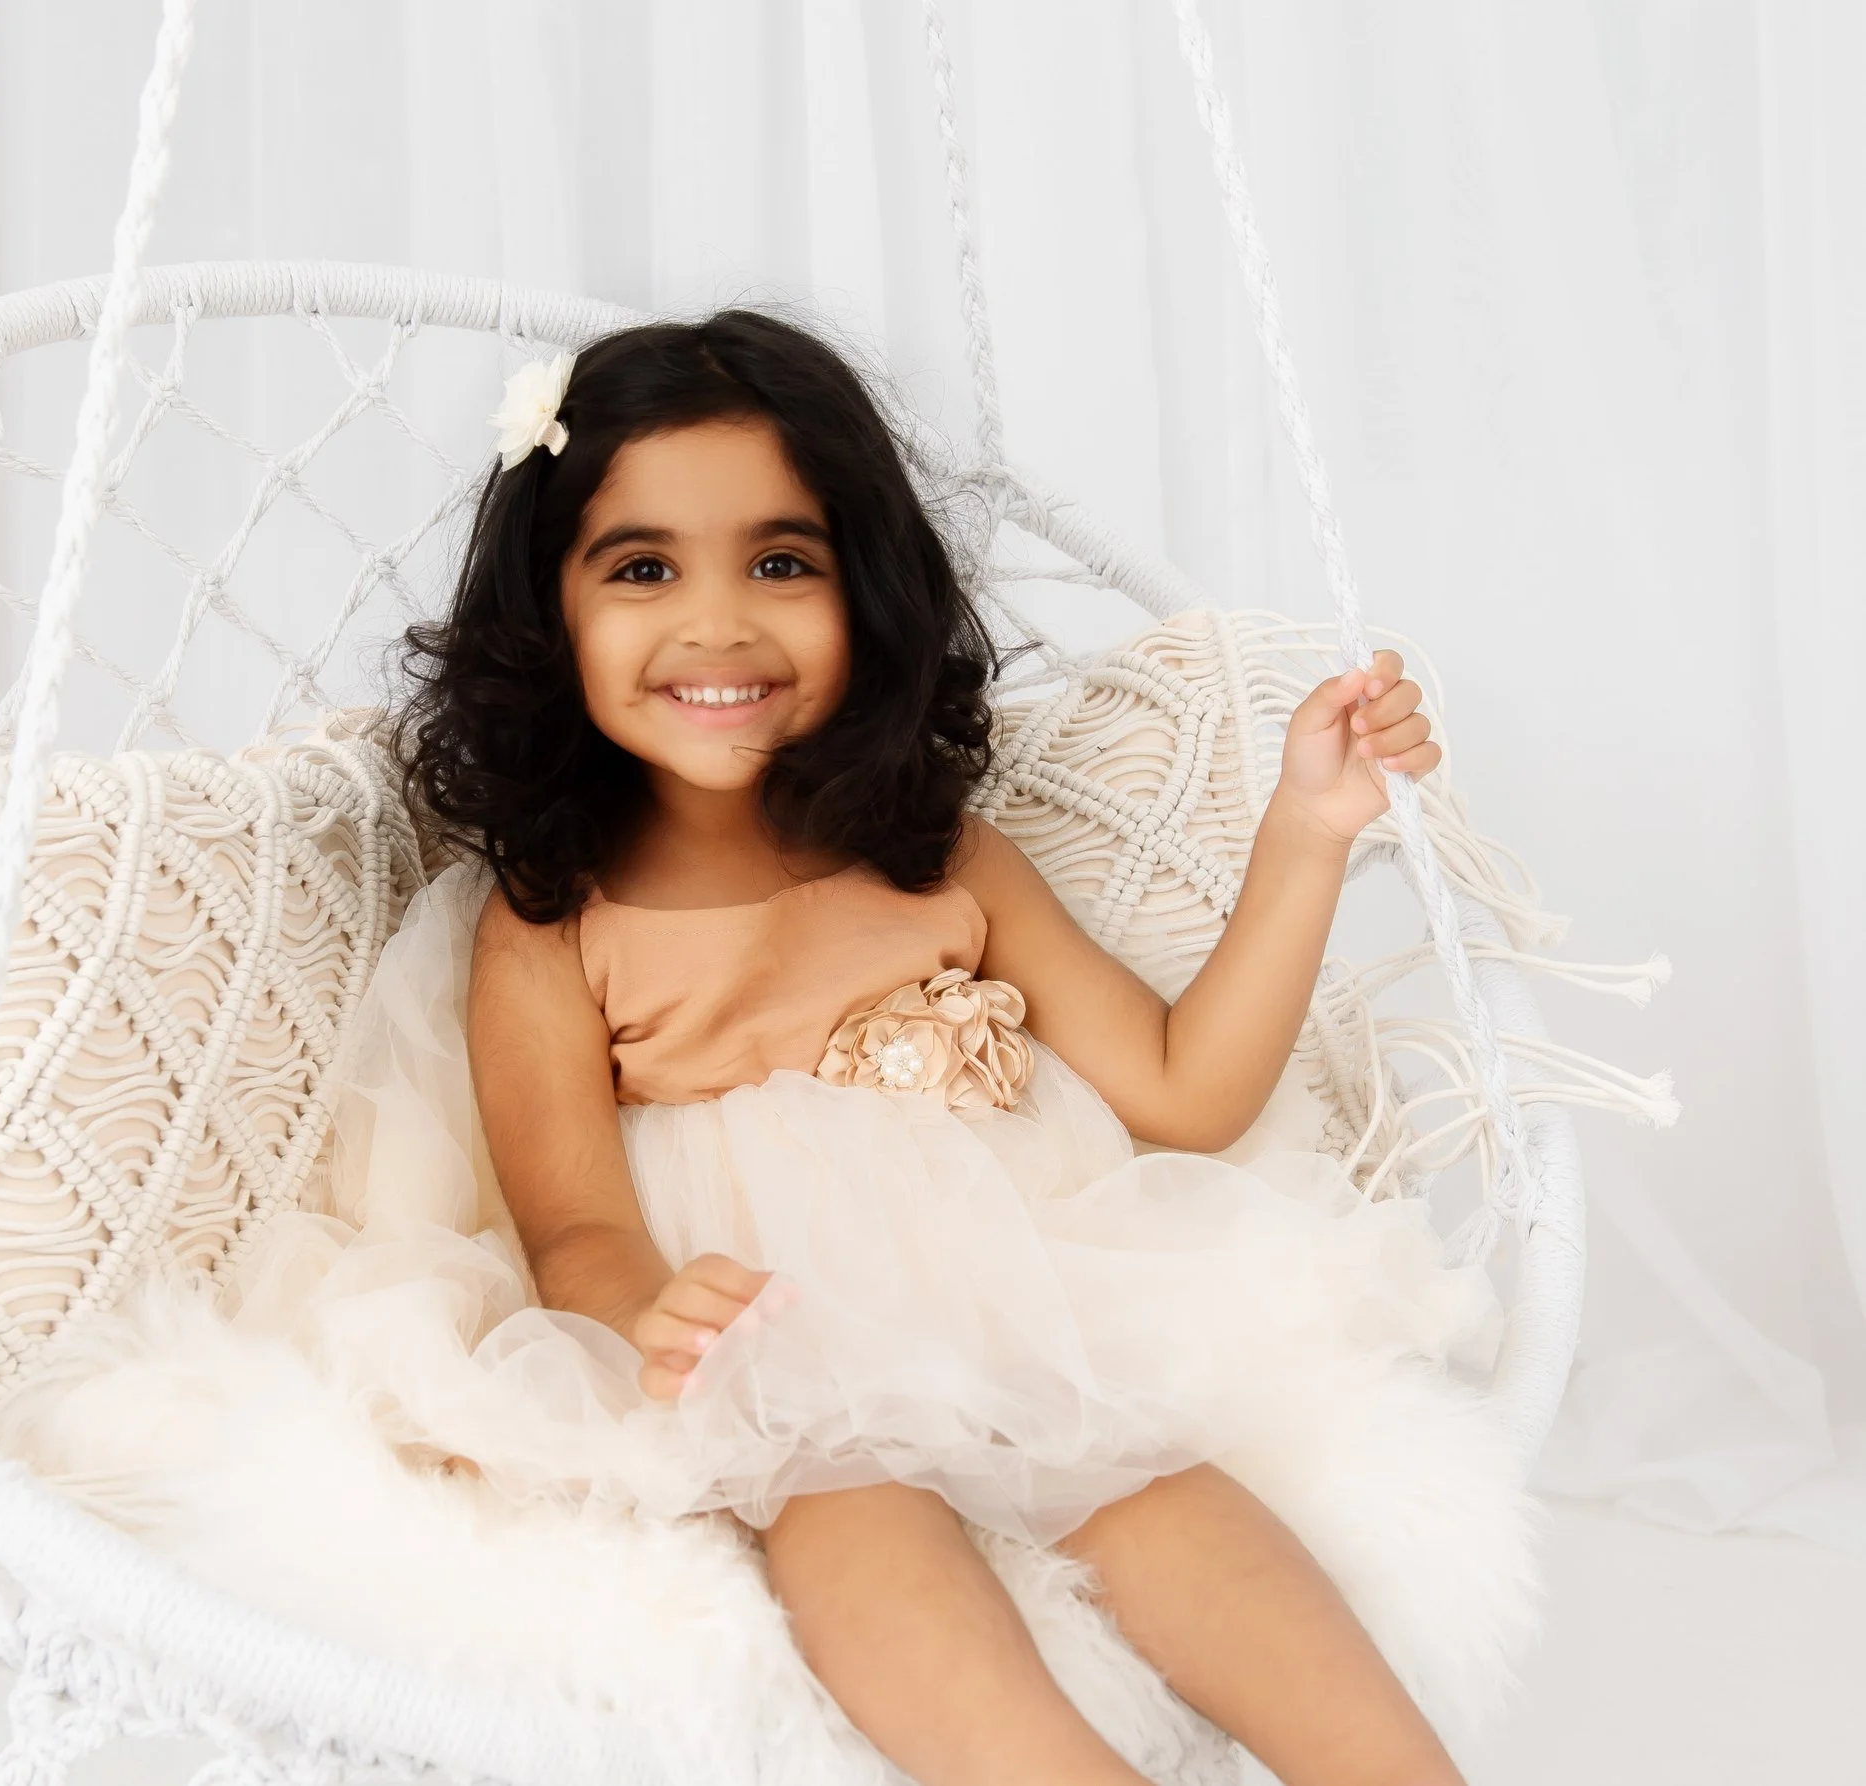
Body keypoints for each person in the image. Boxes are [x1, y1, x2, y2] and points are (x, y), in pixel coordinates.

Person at [219, 310, 1499, 1786]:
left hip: (1019, 1292)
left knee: (1149, 1480)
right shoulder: (552, 920)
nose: (717, 624)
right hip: (771, 1341)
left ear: (867, 596)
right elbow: (570, 1216)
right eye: (643, 569)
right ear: (547, 617)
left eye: (782, 561)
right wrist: (651, 1308)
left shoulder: (938, 854)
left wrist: (1309, 831)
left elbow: (1184, 1092)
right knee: (852, 1513)